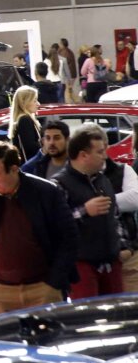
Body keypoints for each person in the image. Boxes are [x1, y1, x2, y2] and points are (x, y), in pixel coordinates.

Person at [0, 141, 77, 314]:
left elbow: (68, 237)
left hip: (43, 288)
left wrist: (54, 281)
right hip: (0, 291)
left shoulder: (46, 192)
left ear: (14, 169)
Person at [53, 125, 126, 299]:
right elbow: (54, 226)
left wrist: (123, 244)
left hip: (111, 262)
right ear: (83, 155)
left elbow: (115, 216)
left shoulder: (103, 180)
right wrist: (84, 211)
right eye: (100, 152)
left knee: (118, 317)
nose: (105, 156)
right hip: (81, 265)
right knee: (88, 319)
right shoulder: (59, 184)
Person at [9, 85, 42, 164]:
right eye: (34, 101)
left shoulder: (21, 118)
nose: (38, 104)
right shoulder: (25, 119)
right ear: (24, 102)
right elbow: (30, 147)